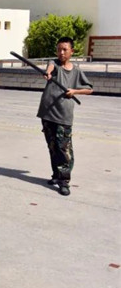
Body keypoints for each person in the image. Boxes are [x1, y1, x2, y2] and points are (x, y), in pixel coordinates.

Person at [36, 37, 93, 196]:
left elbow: (90, 89)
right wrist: (48, 73)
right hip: (47, 113)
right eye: (59, 49)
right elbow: (50, 67)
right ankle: (56, 175)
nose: (61, 53)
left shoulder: (76, 72)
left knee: (64, 150)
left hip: (63, 116)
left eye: (64, 50)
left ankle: (64, 181)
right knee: (52, 147)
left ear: (71, 51)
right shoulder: (54, 64)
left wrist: (74, 91)